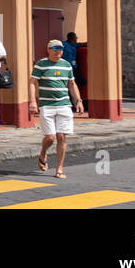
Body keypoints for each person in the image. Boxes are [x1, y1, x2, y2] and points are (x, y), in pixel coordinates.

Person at [30, 39, 84, 179]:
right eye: (55, 48)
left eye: (60, 48)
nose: (58, 50)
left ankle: (59, 169)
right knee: (50, 137)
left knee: (61, 136)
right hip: (46, 105)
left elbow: (72, 84)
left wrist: (78, 101)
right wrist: (32, 102)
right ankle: (43, 153)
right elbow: (32, 83)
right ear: (48, 49)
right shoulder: (41, 65)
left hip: (64, 105)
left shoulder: (66, 65)